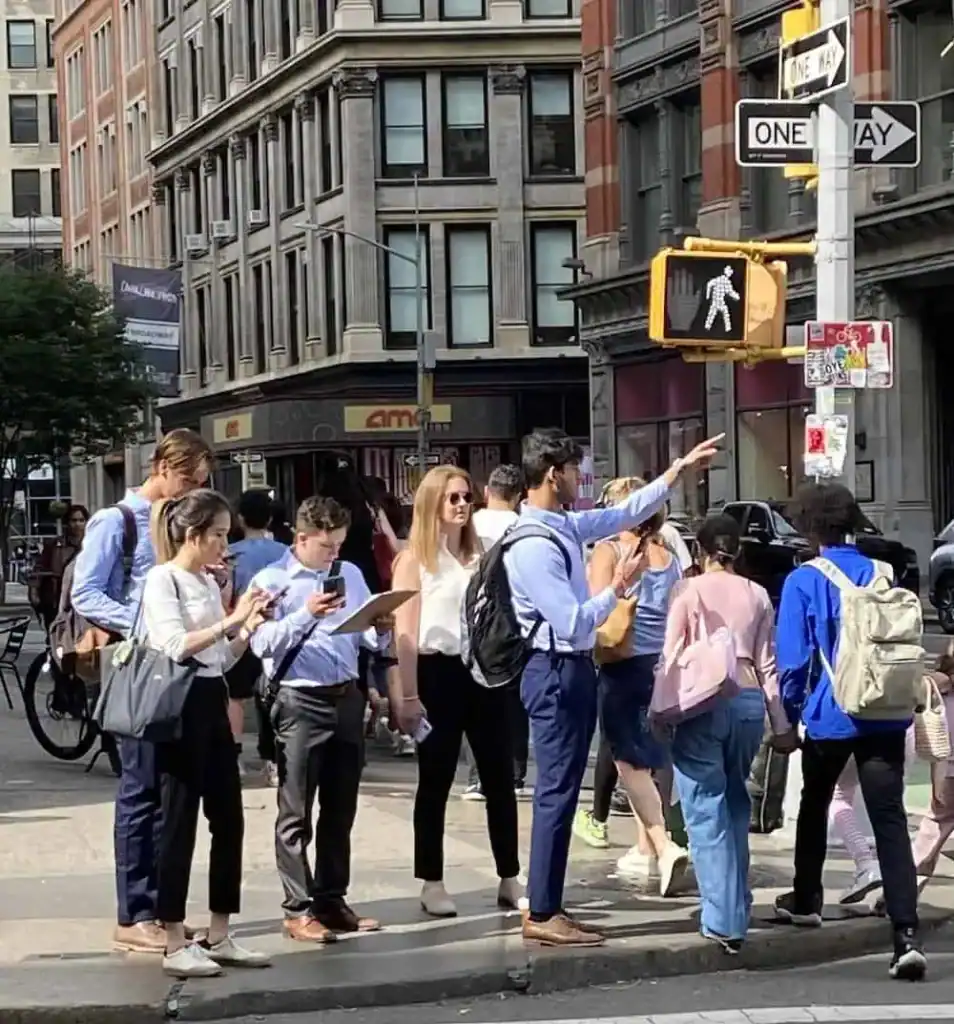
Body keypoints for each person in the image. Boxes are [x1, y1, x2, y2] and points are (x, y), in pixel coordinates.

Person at [503, 427, 722, 946]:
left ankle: (550, 905)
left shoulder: (561, 524)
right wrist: (617, 589)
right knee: (556, 792)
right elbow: (572, 621)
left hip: (569, 668)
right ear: (552, 475)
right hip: (553, 669)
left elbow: (623, 513)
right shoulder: (533, 545)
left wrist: (676, 472)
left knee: (562, 789)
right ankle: (542, 910)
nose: (580, 480)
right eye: (573, 471)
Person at [774, 482, 926, 981]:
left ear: (809, 528)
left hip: (831, 714)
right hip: (886, 709)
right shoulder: (883, 572)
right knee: (890, 819)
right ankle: (906, 935)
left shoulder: (803, 581)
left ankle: (806, 898)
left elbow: (793, 662)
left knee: (815, 802)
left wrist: (791, 715)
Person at [71, 428, 214, 955]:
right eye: (186, 480)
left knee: (169, 792)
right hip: (139, 666)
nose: (189, 491)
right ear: (161, 468)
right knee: (140, 788)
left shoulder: (177, 521)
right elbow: (87, 592)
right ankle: (134, 911)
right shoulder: (118, 521)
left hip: (180, 667)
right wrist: (146, 621)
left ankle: (161, 909)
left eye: (198, 484)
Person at [142, 490, 274, 978]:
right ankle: (174, 938)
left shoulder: (204, 580)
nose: (224, 544)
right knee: (178, 820)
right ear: (193, 534)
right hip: (181, 704)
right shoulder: (164, 579)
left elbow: (220, 657)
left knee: (229, 818)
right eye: (217, 534)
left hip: (212, 697)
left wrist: (247, 629)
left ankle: (219, 931)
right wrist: (229, 621)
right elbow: (175, 645)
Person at [249, 496, 392, 942]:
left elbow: (362, 634)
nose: (334, 554)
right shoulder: (271, 580)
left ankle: (331, 898)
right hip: (299, 698)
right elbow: (259, 643)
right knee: (296, 810)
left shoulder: (350, 573)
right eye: (326, 546)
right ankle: (297, 908)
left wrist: (379, 627)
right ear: (301, 538)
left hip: (344, 695)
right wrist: (305, 614)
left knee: (340, 806)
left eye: (339, 545)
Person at [392, 466, 522, 918]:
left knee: (500, 776)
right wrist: (408, 695)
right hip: (437, 670)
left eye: (467, 497)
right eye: (453, 498)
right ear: (433, 504)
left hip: (483, 670)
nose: (463, 505)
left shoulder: (480, 553)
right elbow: (405, 633)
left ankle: (509, 876)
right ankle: (432, 880)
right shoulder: (414, 560)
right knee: (436, 779)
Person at [663, 514, 794, 953]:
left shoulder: (688, 591)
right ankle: (737, 904)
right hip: (749, 701)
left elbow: (670, 653)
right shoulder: (757, 594)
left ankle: (722, 920)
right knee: (735, 801)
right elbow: (768, 664)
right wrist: (781, 724)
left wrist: (659, 710)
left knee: (704, 809)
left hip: (701, 700)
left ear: (699, 551)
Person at [585, 476, 688, 894]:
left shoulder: (609, 551)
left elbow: (596, 610)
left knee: (628, 761)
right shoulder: (668, 556)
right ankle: (646, 849)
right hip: (663, 665)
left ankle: (662, 844)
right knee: (654, 755)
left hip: (622, 662)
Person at [464, 463, 528, 799]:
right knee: (514, 703)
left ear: (488, 491)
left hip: (476, 619)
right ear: (518, 496)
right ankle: (515, 774)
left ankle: (477, 777)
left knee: (476, 698)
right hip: (514, 621)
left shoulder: (469, 524)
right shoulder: (523, 527)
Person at [227, 490, 289, 781]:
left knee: (235, 696)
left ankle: (234, 756)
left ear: (239, 518)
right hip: (277, 630)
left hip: (241, 630)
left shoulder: (231, 554)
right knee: (271, 696)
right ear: (270, 518)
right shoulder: (285, 553)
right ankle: (272, 760)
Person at [29, 504, 89, 629]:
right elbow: (39, 570)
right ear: (67, 523)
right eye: (73, 520)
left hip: (83, 600)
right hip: (56, 601)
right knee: (57, 634)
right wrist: (34, 593)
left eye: (81, 520)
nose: (77, 524)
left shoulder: (93, 545)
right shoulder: (54, 545)